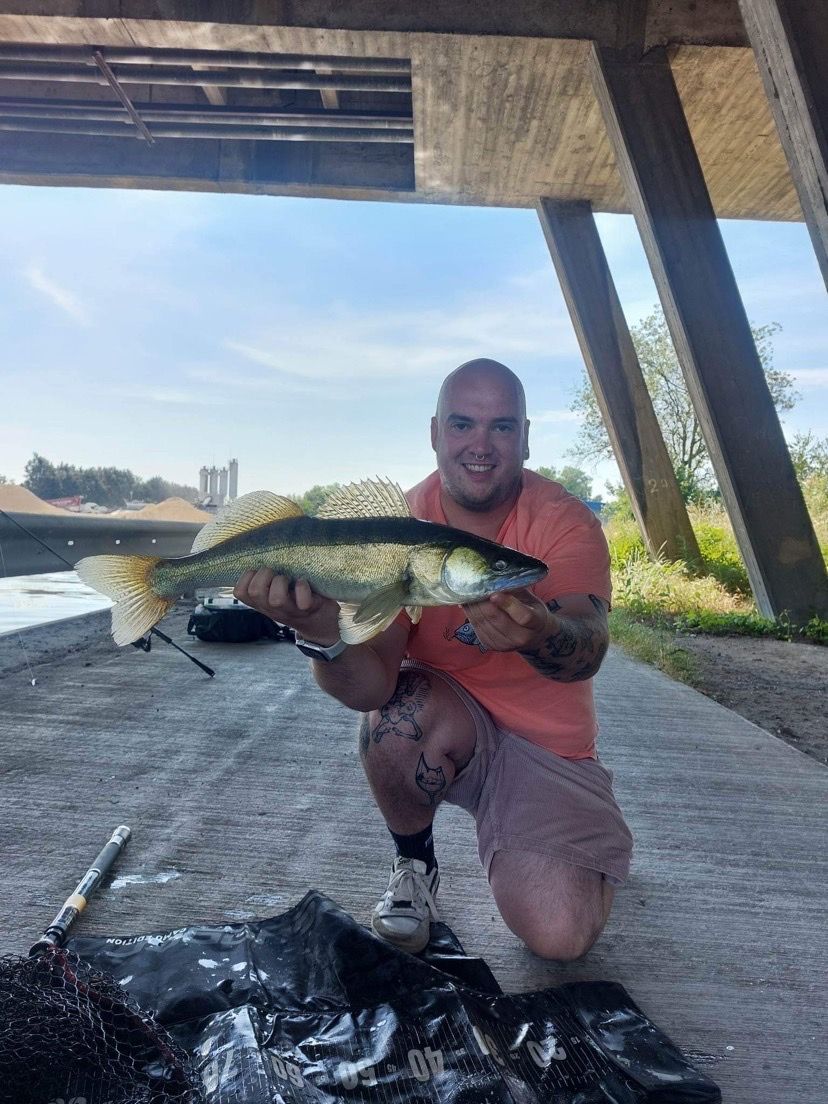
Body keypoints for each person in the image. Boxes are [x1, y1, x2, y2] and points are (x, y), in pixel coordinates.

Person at [234, 359, 632, 960]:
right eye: (462, 424)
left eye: (502, 427)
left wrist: (539, 633)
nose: (481, 445)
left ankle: (586, 840)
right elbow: (369, 690)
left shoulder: (564, 521)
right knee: (394, 716)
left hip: (548, 748)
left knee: (560, 937)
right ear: (434, 433)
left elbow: (587, 650)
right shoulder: (398, 528)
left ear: (526, 437)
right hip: (445, 726)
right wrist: (317, 629)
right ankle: (414, 864)